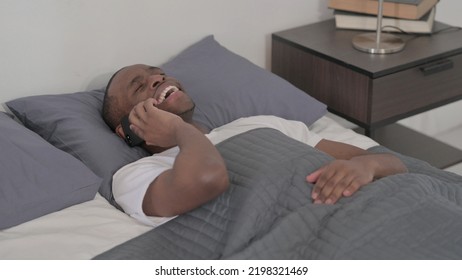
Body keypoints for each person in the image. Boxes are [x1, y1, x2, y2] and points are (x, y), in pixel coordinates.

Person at [103, 64, 408, 227]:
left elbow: (395, 164)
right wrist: (181, 132)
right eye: (139, 86)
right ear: (125, 130)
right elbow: (208, 178)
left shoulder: (260, 124)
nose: (158, 78)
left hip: (385, 214)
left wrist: (365, 166)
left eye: (158, 72)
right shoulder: (134, 176)